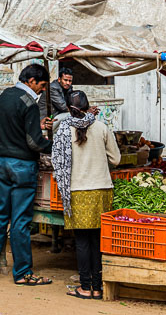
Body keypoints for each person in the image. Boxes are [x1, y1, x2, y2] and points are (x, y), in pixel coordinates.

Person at [0, 63, 53, 286]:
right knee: (20, 221)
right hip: (22, 166)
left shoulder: (4, 96)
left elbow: (7, 126)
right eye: (42, 85)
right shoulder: (29, 102)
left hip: (2, 162)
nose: (43, 90)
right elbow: (33, 142)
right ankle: (22, 273)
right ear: (31, 81)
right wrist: (53, 146)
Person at [51, 91, 120, 299]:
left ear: (68, 108)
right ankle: (97, 288)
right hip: (101, 189)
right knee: (97, 240)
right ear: (88, 106)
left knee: (82, 241)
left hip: (77, 191)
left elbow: (56, 161)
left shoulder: (63, 130)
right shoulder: (101, 127)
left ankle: (84, 286)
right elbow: (116, 159)